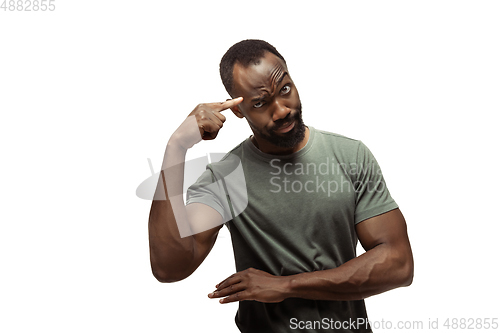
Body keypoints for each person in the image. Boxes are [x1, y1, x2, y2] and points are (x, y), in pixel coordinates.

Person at [148, 39, 414, 333]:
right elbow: (169, 267)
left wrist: (286, 285)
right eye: (261, 103)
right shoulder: (227, 179)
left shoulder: (350, 157)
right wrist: (176, 149)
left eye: (285, 89)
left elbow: (398, 264)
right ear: (238, 110)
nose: (281, 110)